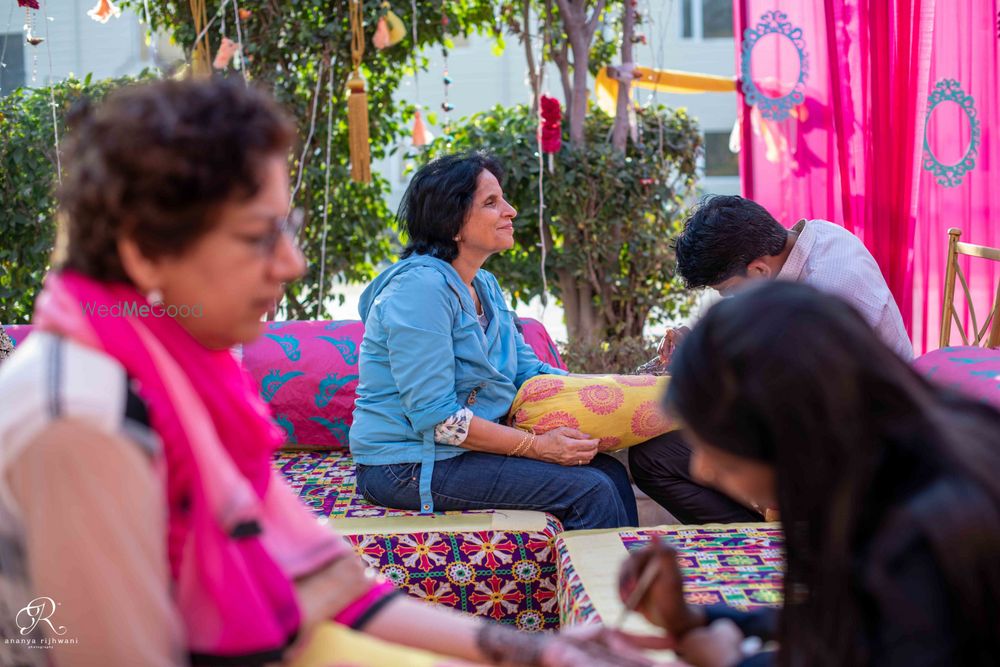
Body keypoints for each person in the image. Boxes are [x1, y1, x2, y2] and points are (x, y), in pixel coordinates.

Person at [0, 78, 645, 667]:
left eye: (290, 228)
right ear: (145, 253)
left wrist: (533, 652)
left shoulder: (181, 378)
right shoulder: (82, 421)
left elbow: (332, 585)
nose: (292, 263)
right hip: (412, 461)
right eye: (260, 235)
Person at [618, 281, 1000, 666]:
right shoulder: (881, 466)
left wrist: (731, 663)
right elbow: (842, 620)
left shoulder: (927, 533)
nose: (701, 470)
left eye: (725, 458)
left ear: (793, 441)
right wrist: (697, 617)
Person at [350, 152, 639, 530]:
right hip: (405, 464)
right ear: (452, 223)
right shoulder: (419, 290)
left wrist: (624, 387)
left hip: (454, 452)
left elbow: (529, 371)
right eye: (491, 202)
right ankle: (595, 590)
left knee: (608, 472)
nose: (511, 210)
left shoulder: (485, 286)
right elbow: (437, 420)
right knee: (590, 491)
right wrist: (539, 447)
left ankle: (625, 587)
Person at [631, 194, 914, 524]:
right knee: (653, 455)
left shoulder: (827, 292)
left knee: (678, 450)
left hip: (857, 447)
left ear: (759, 269)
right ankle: (764, 535)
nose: (731, 301)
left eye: (730, 292)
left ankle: (777, 537)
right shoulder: (816, 238)